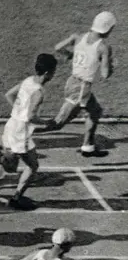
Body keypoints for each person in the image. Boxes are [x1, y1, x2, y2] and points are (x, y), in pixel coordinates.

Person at [35, 11, 116, 157]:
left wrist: (70, 55)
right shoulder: (103, 47)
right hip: (81, 89)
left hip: (72, 82)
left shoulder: (78, 37)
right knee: (58, 123)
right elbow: (105, 75)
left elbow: (58, 47)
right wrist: (110, 64)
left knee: (95, 111)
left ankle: (88, 146)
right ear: (107, 28)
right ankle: (22, 129)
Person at [2, 53, 58, 209]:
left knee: (8, 160)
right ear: (47, 73)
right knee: (32, 166)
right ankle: (16, 198)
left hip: (11, 124)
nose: (54, 74)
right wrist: (46, 123)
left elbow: (9, 95)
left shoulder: (28, 80)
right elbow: (31, 116)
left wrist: (17, 112)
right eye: (54, 71)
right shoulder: (38, 92)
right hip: (21, 132)